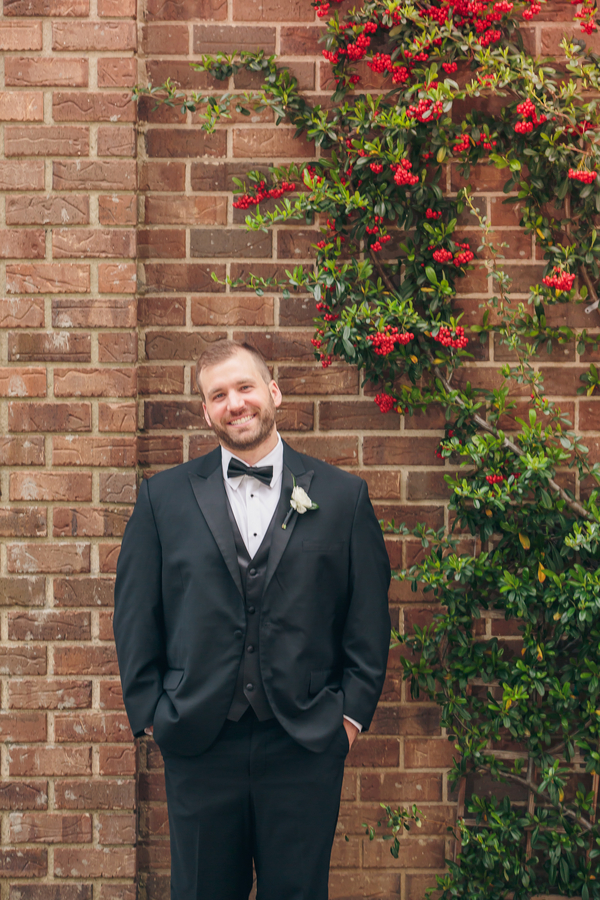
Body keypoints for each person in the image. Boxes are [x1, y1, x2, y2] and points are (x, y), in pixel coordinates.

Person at [113, 339, 391, 900]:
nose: (234, 403)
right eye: (217, 395)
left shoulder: (342, 497)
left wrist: (350, 717)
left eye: (244, 387)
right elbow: (135, 612)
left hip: (305, 742)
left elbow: (368, 618)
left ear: (274, 392)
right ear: (205, 411)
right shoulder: (161, 499)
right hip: (198, 742)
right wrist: (152, 715)